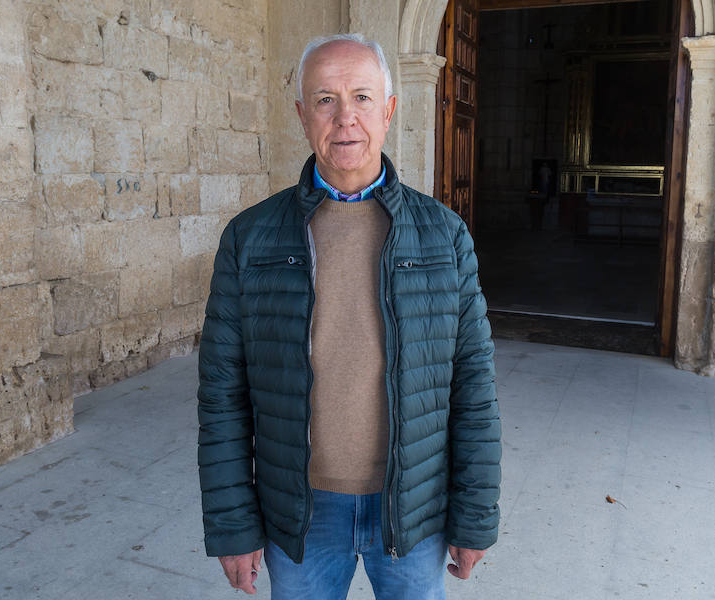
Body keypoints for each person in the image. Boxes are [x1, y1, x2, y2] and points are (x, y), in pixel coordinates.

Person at [197, 33, 501, 599]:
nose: (345, 120)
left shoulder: (444, 235)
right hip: (303, 513)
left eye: (362, 97)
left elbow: (474, 387)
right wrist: (233, 525)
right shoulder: (250, 238)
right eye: (325, 99)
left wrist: (475, 513)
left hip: (412, 506)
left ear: (388, 110)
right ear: (301, 115)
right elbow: (223, 394)